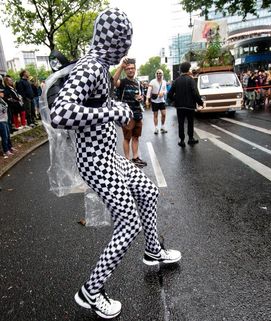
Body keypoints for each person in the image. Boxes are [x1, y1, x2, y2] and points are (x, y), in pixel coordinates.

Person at [50, 8, 181, 319]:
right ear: (116, 42)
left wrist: (116, 105)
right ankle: (90, 292)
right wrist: (112, 112)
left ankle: (153, 251)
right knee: (128, 224)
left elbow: (92, 103)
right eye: (125, 42)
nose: (126, 50)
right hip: (97, 162)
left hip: (109, 157)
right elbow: (60, 113)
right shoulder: (91, 68)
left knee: (148, 190)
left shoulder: (98, 69)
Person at [113, 57, 147, 168]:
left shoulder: (138, 82)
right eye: (128, 69)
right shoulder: (122, 82)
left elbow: (141, 95)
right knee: (127, 138)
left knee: (136, 137)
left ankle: (135, 158)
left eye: (132, 68)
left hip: (138, 114)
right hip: (127, 116)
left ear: (135, 69)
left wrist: (141, 98)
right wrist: (121, 67)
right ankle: (127, 161)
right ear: (125, 70)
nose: (130, 70)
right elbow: (113, 82)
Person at [167, 61, 204, 147]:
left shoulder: (176, 81)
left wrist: (175, 100)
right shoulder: (191, 80)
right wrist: (200, 103)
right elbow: (195, 93)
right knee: (190, 123)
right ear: (188, 69)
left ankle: (182, 140)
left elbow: (169, 95)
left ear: (181, 70)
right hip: (190, 106)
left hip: (179, 106)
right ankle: (190, 139)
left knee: (181, 123)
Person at [146, 69, 168, 134]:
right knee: (155, 115)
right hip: (154, 101)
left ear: (162, 74)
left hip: (162, 101)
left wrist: (163, 93)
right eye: (157, 73)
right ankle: (156, 128)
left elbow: (166, 91)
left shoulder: (164, 82)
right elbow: (149, 91)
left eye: (160, 73)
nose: (158, 74)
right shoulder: (152, 81)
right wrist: (147, 99)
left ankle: (162, 127)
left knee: (164, 114)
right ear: (156, 74)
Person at [0, 88, 13, 158]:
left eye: (2, 92)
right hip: (1, 121)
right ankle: (6, 150)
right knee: (4, 136)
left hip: (5, 120)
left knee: (8, 135)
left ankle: (10, 147)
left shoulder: (2, 100)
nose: (2, 93)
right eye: (1, 92)